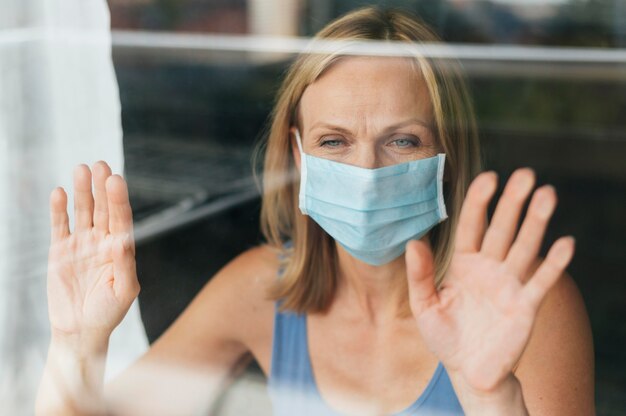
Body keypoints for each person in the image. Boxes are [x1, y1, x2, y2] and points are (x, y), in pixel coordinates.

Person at [36, 6, 594, 416]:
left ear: (447, 155)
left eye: (402, 141)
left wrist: (490, 397)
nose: (368, 172)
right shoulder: (259, 290)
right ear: (297, 155)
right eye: (334, 142)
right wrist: (76, 344)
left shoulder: (523, 307)